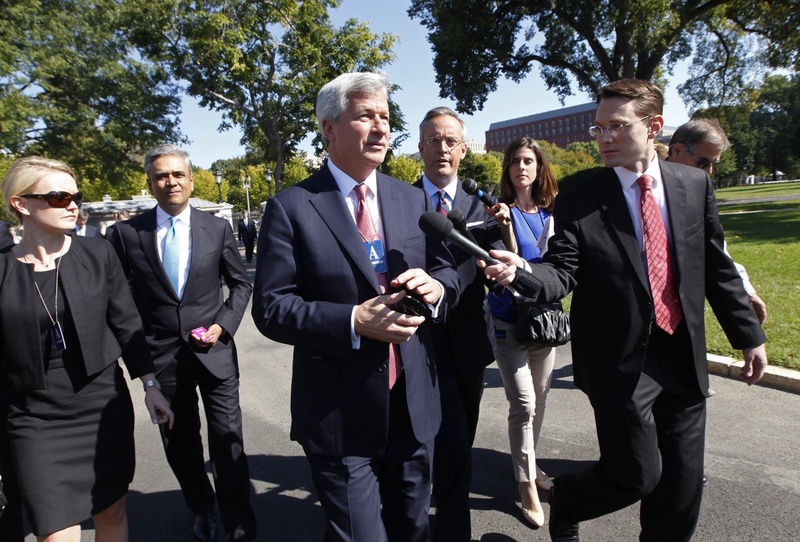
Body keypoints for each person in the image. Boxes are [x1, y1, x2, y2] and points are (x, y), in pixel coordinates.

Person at [481, 79, 767, 542]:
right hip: (620, 362)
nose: (604, 138)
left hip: (683, 355)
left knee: (680, 492)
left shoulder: (693, 185)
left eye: (617, 126)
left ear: (653, 126)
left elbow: (715, 266)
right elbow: (562, 270)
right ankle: (570, 499)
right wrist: (524, 274)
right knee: (636, 474)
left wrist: (748, 335)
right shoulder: (579, 198)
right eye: (598, 129)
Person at [251, 72, 460, 542]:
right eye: (366, 115)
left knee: (414, 528)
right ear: (329, 128)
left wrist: (438, 286)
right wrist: (353, 320)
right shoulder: (292, 206)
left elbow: (450, 273)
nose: (382, 128)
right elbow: (270, 307)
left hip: (411, 404)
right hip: (337, 413)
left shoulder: (413, 199)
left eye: (385, 117)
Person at [0, 156, 173, 541]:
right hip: (33, 415)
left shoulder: (97, 254)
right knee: (53, 529)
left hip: (101, 406)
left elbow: (127, 323)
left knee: (110, 511)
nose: (74, 204)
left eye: (75, 196)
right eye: (59, 197)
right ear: (21, 203)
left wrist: (150, 386)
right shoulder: (2, 270)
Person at [110, 145, 257, 542]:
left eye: (178, 174)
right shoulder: (126, 233)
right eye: (161, 176)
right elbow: (118, 302)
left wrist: (223, 326)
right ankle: (202, 508)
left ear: (191, 180)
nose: (170, 181)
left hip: (215, 354)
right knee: (181, 443)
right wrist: (141, 370)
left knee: (228, 439)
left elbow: (241, 283)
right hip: (161, 359)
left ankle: (239, 519)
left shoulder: (217, 228)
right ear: (150, 183)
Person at [413, 106, 504, 540]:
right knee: (432, 444)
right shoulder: (398, 199)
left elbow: (506, 273)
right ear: (419, 147)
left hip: (468, 343)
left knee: (458, 441)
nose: (442, 149)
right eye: (434, 140)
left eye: (451, 141)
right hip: (416, 343)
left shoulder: (483, 205)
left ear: (463, 150)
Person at [483, 136, 561, 529]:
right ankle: (526, 483)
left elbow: (553, 270)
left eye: (528, 160)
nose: (521, 167)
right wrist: (506, 227)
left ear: (539, 167)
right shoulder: (499, 213)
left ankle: (532, 463)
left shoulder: (553, 215)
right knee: (525, 404)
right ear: (508, 169)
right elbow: (508, 266)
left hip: (543, 322)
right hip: (507, 320)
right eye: (515, 161)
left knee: (541, 400)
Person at [667, 118, 768, 324]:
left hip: (682, 315)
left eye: (713, 164)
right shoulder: (641, 187)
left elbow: (716, 250)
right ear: (677, 150)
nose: (709, 172)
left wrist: (746, 290)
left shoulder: (698, 194)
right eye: (703, 162)